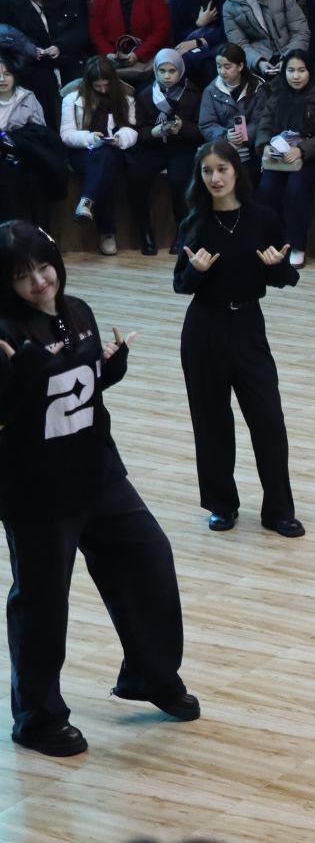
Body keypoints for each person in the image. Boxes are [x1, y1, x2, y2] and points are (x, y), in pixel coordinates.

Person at [0, 220, 199, 758]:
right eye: (22, 276)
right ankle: (37, 719)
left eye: (45, 267)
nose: (40, 282)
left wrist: (110, 372)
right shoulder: (4, 334)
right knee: (43, 603)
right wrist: (17, 386)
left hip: (97, 473)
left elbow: (80, 391)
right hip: (37, 493)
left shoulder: (79, 313)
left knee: (149, 557)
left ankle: (151, 675)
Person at [173, 140, 305, 538]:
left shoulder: (262, 218)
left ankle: (278, 511)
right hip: (205, 330)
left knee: (269, 421)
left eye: (222, 169)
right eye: (207, 171)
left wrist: (277, 267)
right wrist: (195, 272)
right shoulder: (194, 223)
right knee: (211, 422)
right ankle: (221, 505)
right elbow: (180, 284)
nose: (215, 178)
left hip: (248, 327)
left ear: (236, 172)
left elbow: (286, 278)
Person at [254, 48, 315, 269]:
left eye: (301, 70)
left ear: (310, 71)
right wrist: (264, 146)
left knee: (296, 186)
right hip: (280, 155)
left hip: (313, 156)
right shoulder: (277, 93)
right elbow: (265, 125)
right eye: (291, 70)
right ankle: (273, 243)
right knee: (267, 188)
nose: (296, 76)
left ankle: (296, 245)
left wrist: (301, 150)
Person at [126, 49, 202, 256]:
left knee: (179, 180)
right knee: (136, 176)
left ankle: (182, 230)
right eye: (162, 71)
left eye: (172, 71)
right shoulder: (145, 94)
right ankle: (145, 231)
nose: (167, 76)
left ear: (181, 71)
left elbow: (202, 130)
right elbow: (138, 130)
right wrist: (152, 132)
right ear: (156, 72)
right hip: (155, 147)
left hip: (183, 147)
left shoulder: (194, 94)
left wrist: (183, 127)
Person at [60, 56, 136, 256]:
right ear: (89, 83)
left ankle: (86, 202)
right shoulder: (72, 100)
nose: (102, 89)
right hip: (83, 151)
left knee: (105, 159)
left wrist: (120, 138)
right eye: (97, 86)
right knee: (102, 169)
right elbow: (66, 135)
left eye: (106, 85)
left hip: (116, 150)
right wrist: (90, 138)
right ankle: (107, 233)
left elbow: (131, 128)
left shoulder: (126, 98)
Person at [0, 0, 91, 128]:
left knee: (78, 78)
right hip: (37, 60)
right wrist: (31, 49)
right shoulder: (17, 2)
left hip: (66, 55)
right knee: (42, 80)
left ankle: (80, 129)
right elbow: (14, 35)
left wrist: (60, 46)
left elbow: (79, 30)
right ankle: (49, 131)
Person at [0, 53, 66, 232]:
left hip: (25, 153)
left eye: (7, 74)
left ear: (14, 76)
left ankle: (42, 234)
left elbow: (40, 132)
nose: (2, 79)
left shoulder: (27, 97)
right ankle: (8, 236)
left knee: (38, 176)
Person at [88, 0, 171, 86]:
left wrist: (138, 55)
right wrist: (109, 53)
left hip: (146, 66)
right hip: (111, 65)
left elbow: (160, 32)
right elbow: (96, 32)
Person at [222, 0, 309, 79]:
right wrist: (259, 62)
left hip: (290, 52)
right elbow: (239, 44)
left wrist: (289, 58)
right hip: (259, 58)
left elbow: (300, 31)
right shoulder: (229, 7)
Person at [198, 42, 266, 183]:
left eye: (227, 67)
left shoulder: (257, 88)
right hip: (221, 148)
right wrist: (225, 136)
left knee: (250, 176)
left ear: (240, 66)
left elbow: (260, 121)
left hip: (251, 148)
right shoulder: (210, 91)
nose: (222, 71)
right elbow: (206, 124)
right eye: (219, 66)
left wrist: (241, 137)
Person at [167, 0, 231, 88]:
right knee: (180, 66)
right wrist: (198, 24)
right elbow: (178, 36)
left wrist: (199, 42)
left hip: (220, 43)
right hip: (191, 47)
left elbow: (228, 30)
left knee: (210, 65)